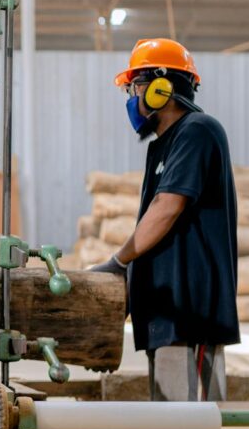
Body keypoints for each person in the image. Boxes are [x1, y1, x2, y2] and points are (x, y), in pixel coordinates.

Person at [89, 38, 239, 402]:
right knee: (171, 420)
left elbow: (167, 207)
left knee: (192, 425)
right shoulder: (166, 143)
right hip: (169, 309)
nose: (132, 98)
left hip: (191, 311)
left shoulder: (197, 130)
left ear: (161, 88)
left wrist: (118, 261)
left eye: (135, 87)